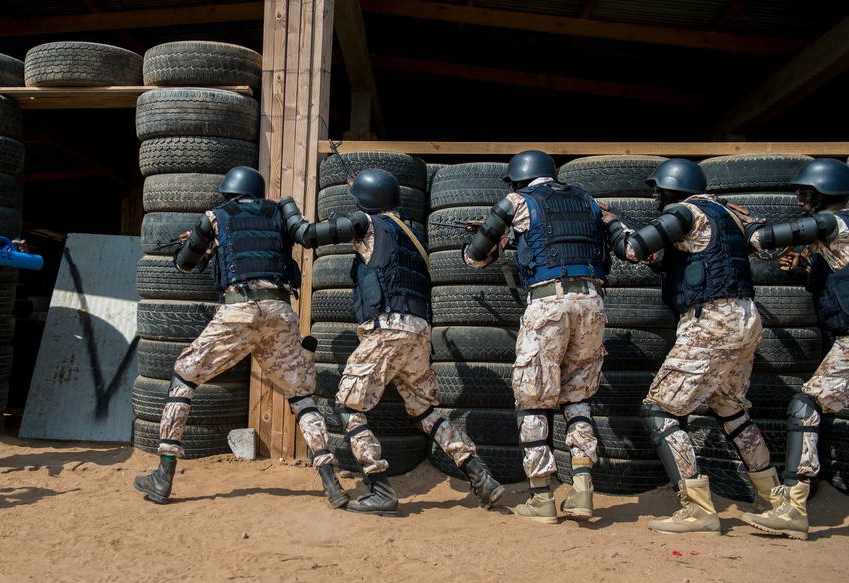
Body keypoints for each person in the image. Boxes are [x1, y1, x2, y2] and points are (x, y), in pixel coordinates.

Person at [279, 168, 505, 516]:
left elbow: (306, 235)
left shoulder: (366, 224)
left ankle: (379, 487)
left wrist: (287, 204)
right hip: (417, 333)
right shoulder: (411, 234)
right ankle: (480, 476)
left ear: (366, 202)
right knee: (426, 412)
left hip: (387, 331)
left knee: (348, 407)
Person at [133, 166, 349, 508]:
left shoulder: (215, 216)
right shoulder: (278, 211)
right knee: (301, 396)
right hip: (279, 312)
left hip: (239, 310)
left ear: (229, 193)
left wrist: (203, 244)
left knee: (183, 378)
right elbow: (303, 234)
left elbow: (184, 265)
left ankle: (164, 474)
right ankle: (331, 484)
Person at [603, 158, 779, 534]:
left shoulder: (686, 211)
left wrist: (611, 223)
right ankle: (775, 500)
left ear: (672, 188)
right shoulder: (725, 214)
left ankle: (698, 509)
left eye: (658, 189)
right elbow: (700, 257)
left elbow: (631, 249)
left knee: (659, 411)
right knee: (732, 411)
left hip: (711, 322)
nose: (655, 196)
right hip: (745, 317)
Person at [462, 150, 609, 523]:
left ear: (518, 180)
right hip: (592, 302)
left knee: (533, 399)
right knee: (578, 397)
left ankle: (541, 496)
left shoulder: (515, 202)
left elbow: (475, 258)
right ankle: (582, 489)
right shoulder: (588, 201)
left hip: (549, 304)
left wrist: (496, 240)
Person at [740, 157, 849, 540]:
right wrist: (805, 268)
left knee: (806, 406)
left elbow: (772, 237)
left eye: (807, 194)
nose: (801, 201)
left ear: (825, 194)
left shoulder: (837, 222)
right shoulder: (833, 236)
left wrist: (745, 223)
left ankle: (794, 506)